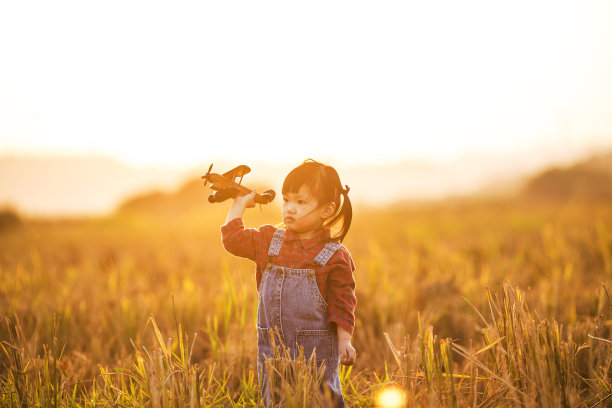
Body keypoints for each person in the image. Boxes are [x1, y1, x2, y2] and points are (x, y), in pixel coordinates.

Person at [220, 159, 357, 407]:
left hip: (315, 359)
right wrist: (239, 204)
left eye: (300, 202)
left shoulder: (334, 256)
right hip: (272, 355)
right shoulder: (269, 240)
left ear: (327, 210)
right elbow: (233, 239)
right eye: (286, 200)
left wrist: (345, 340)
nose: (289, 208)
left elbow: (343, 301)